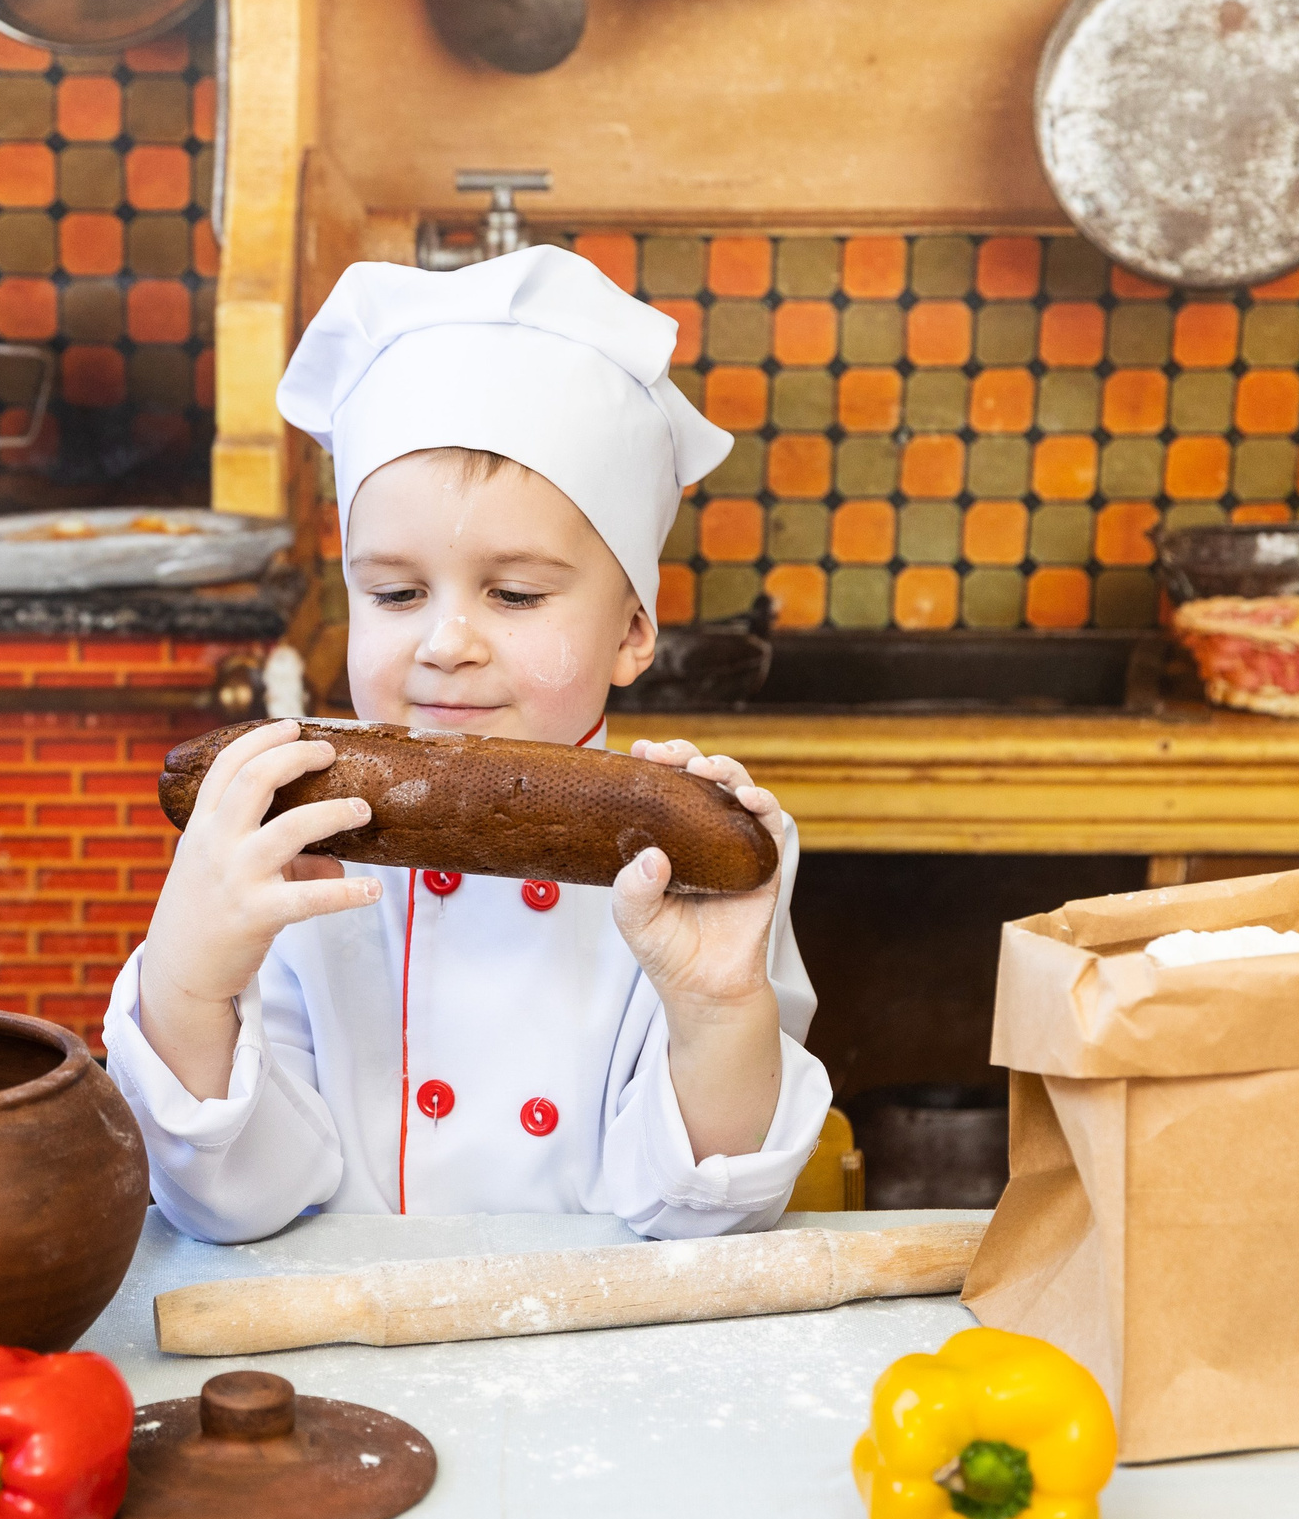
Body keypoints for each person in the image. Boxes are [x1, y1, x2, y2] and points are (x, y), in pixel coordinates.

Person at [100, 245, 832, 1243]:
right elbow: (230, 1206)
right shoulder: (279, 837)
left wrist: (716, 1014)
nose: (445, 644)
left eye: (516, 594)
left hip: (592, 1357)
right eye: (393, 594)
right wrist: (189, 977)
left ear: (632, 633)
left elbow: (702, 1222)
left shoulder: (706, 860)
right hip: (328, 1351)